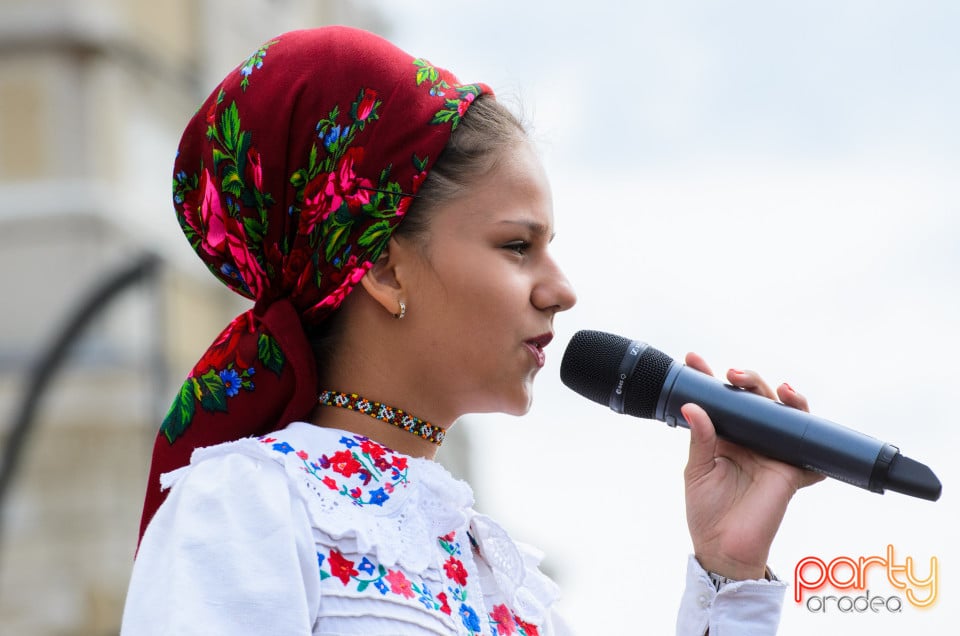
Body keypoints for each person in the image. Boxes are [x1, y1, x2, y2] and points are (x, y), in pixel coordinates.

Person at [121, 26, 822, 635]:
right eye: (518, 247)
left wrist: (727, 572)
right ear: (385, 270)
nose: (561, 290)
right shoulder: (245, 510)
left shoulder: (500, 578)